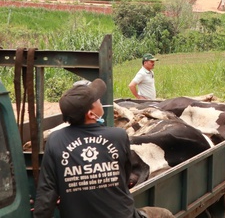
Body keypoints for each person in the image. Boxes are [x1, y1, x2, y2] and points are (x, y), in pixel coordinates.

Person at [33, 79, 173, 218]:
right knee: (164, 214)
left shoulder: (55, 140)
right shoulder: (118, 136)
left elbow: (46, 193)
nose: (101, 102)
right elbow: (124, 177)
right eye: (98, 101)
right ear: (90, 114)